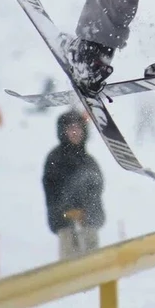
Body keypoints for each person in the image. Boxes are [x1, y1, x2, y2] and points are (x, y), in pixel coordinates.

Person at [42, 110, 106, 259]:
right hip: (67, 226)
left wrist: (90, 214)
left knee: (93, 265)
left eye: (78, 128)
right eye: (70, 128)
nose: (75, 132)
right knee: (70, 268)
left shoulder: (89, 161)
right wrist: (64, 214)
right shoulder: (55, 159)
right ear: (63, 131)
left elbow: (97, 191)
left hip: (88, 225)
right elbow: (52, 192)